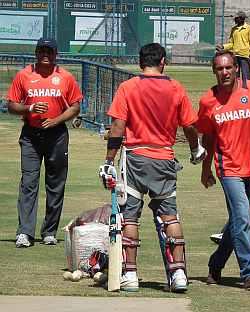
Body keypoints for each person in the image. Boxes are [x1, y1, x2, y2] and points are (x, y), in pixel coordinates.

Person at [98, 43, 206, 292]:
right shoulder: (175, 88)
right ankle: (178, 273)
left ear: (140, 62)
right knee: (170, 215)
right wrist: (195, 149)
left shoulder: (128, 87)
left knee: (130, 217)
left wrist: (108, 161)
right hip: (164, 159)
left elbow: (117, 127)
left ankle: (130, 275)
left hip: (135, 158)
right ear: (163, 62)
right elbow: (189, 125)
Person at [197, 51, 250, 291]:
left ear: (236, 68)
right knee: (243, 218)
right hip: (228, 169)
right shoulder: (208, 101)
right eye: (220, 69)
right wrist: (206, 168)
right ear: (214, 71)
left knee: (237, 222)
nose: (225, 73)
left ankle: (216, 263)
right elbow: (208, 137)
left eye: (229, 67)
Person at [7, 38, 82, 248]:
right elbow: (12, 105)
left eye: (49, 51)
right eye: (41, 50)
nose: (45, 54)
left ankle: (49, 231)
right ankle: (25, 233)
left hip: (57, 134)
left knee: (55, 184)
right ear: (36, 52)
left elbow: (75, 106)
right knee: (29, 183)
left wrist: (57, 120)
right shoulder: (24, 75)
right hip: (31, 135)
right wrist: (29, 108)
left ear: (56, 53)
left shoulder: (65, 77)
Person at [216, 11, 250, 82]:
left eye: (236, 18)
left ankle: (247, 91)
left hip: (244, 56)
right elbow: (231, 43)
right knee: (235, 77)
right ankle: (237, 91)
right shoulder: (233, 29)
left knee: (246, 76)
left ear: (242, 18)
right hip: (235, 56)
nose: (234, 20)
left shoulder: (249, 28)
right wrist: (223, 47)